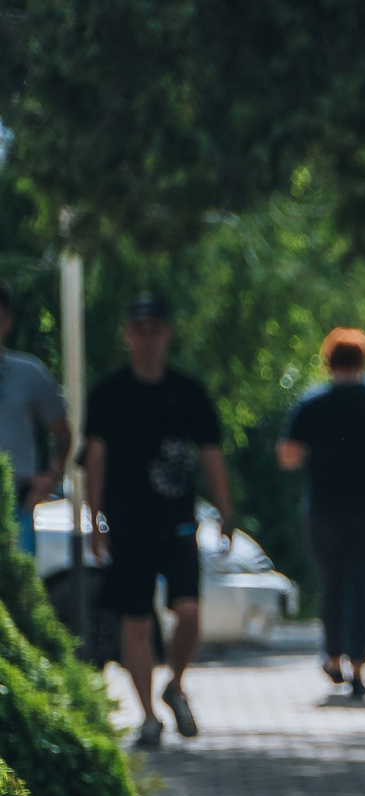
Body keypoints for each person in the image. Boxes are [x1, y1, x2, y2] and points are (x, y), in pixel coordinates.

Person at [82, 294, 232, 750]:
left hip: (178, 520)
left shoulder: (187, 391)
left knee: (188, 612)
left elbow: (210, 451)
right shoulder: (109, 393)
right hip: (128, 521)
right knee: (135, 621)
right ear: (128, 334)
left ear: (167, 334)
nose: (147, 338)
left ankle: (176, 683)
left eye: (156, 329)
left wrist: (226, 508)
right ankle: (147, 716)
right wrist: (95, 519)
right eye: (139, 329)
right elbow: (94, 457)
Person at [278, 328, 365, 700]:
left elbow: (287, 456)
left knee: (332, 583)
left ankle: (332, 657)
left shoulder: (311, 404)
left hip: (325, 507)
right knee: (364, 586)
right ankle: (359, 667)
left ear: (328, 360)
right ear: (364, 360)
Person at [0, 283, 71, 560]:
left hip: (18, 501)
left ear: (7, 324)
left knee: (18, 590)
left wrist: (51, 477)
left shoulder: (29, 372)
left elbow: (63, 435)